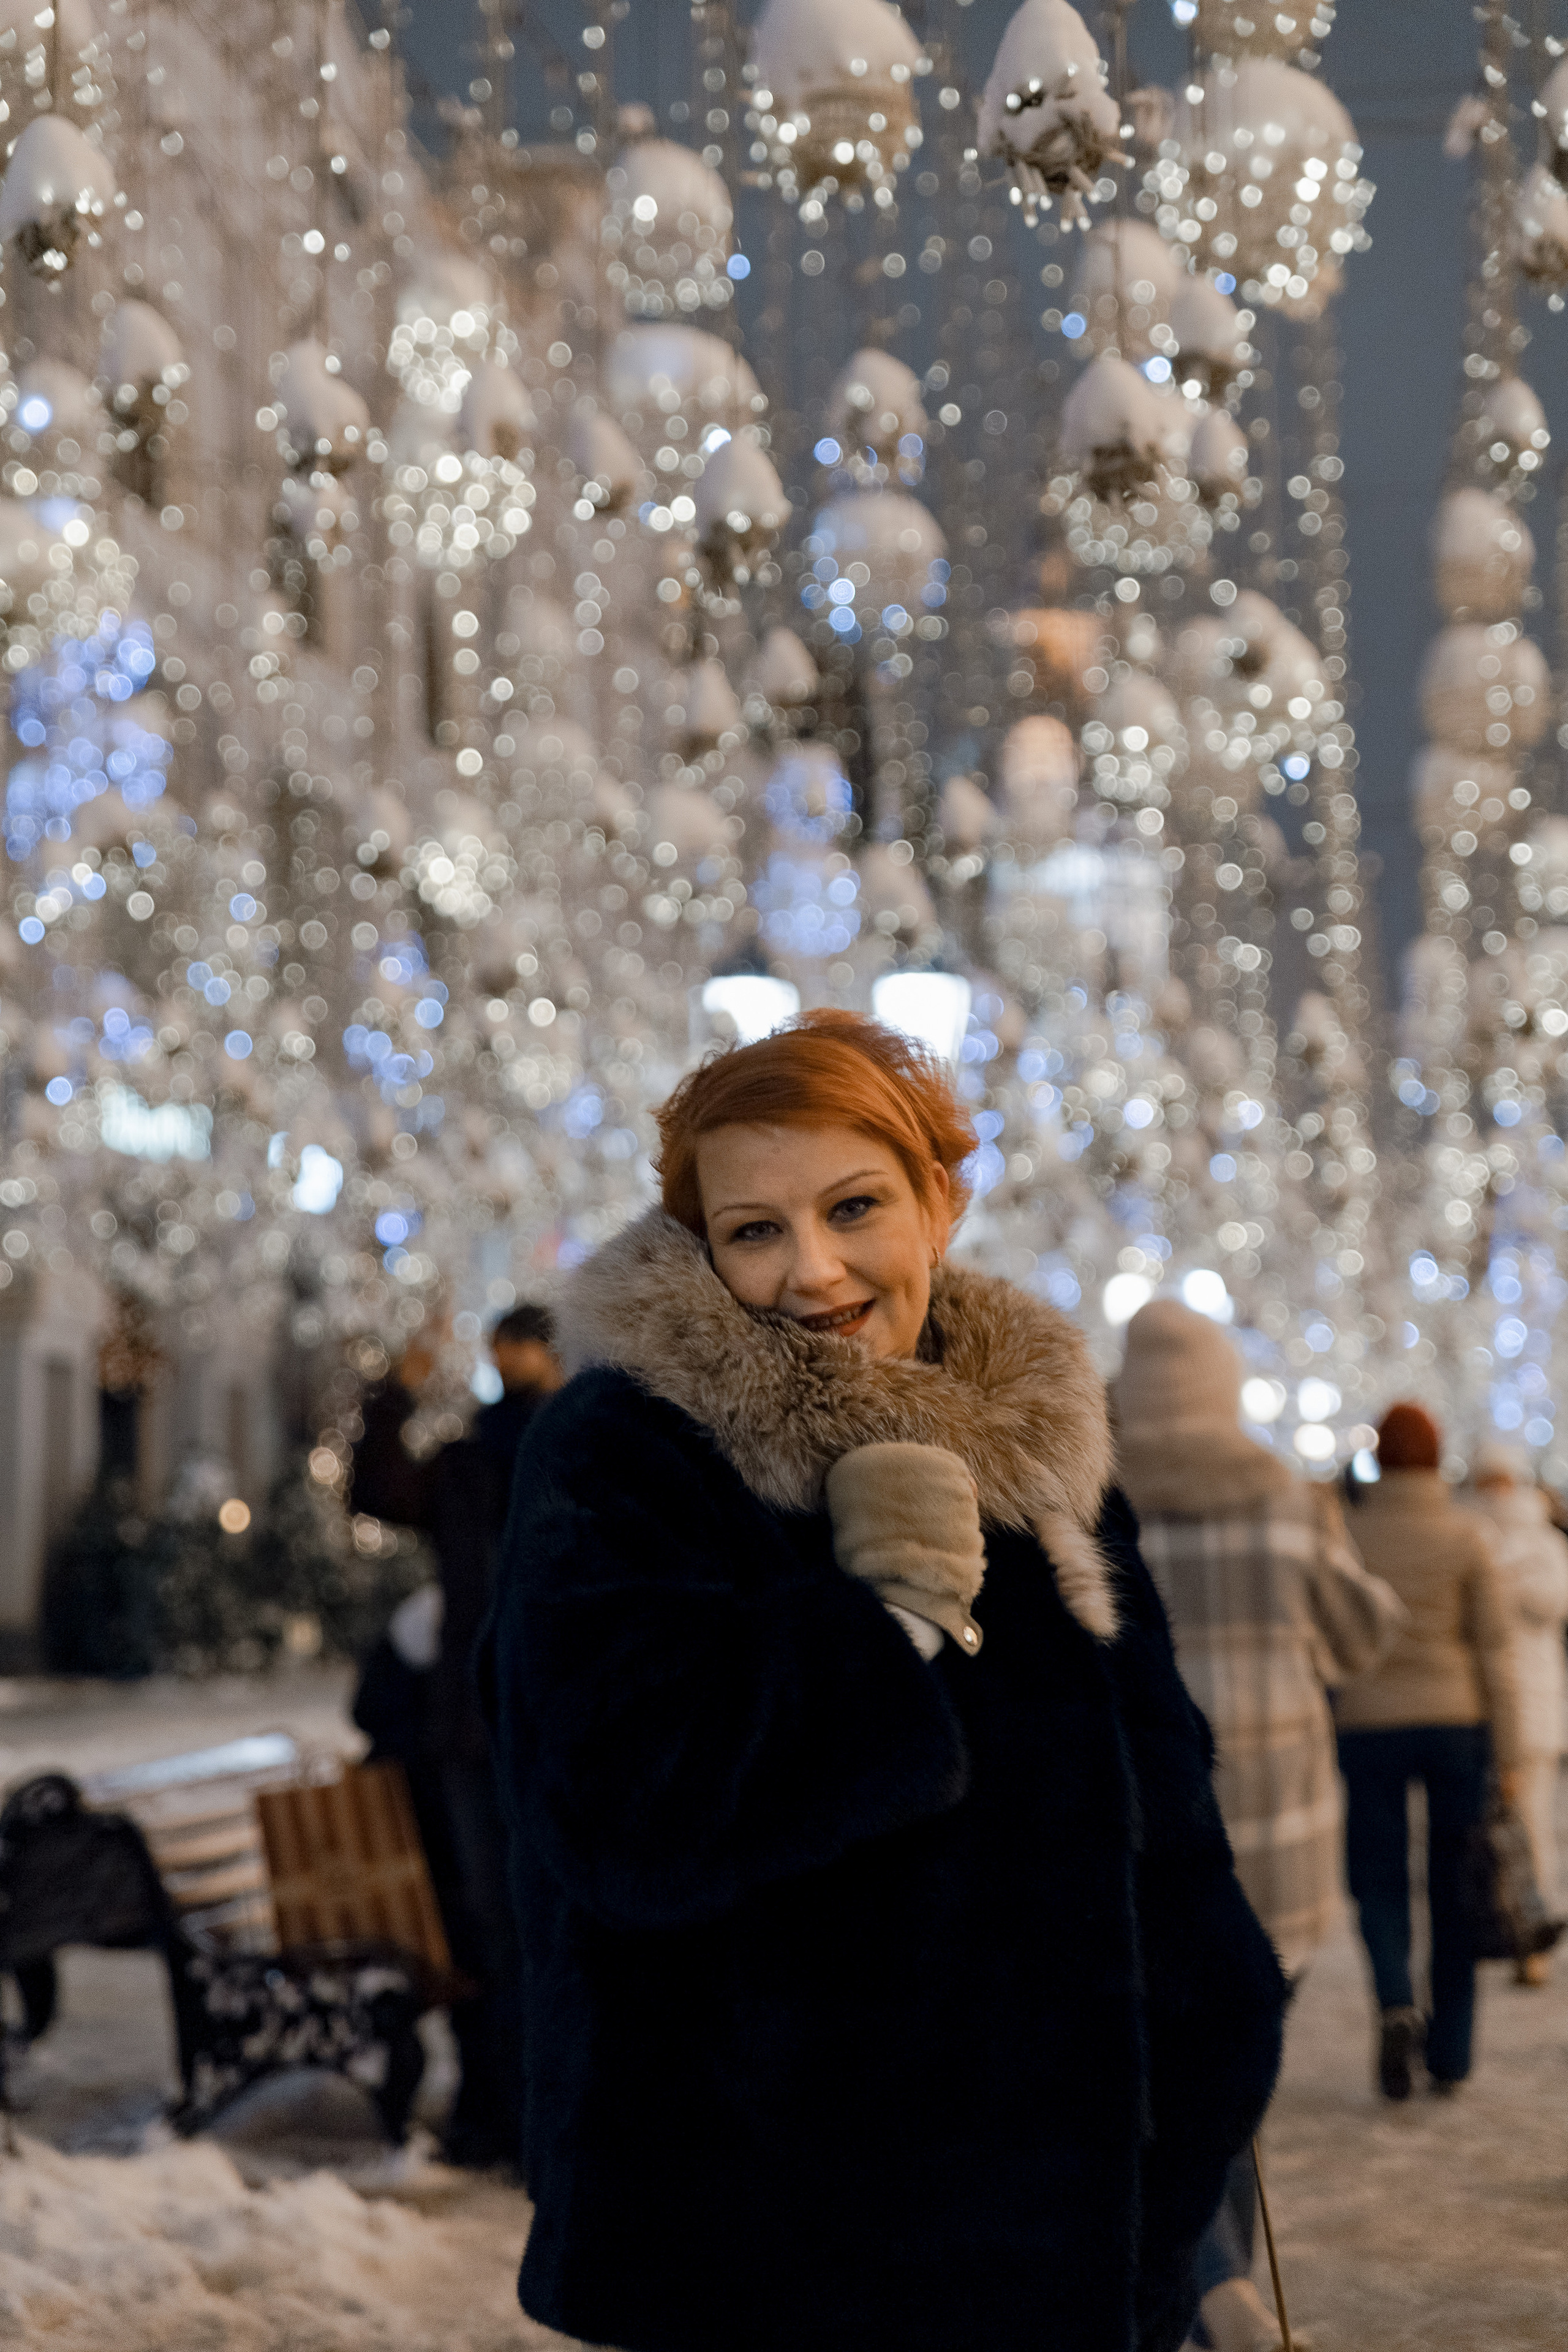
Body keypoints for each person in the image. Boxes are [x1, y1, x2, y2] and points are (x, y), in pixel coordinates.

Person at [481, 1009, 1286, 2352]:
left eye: (853, 1207)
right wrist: (880, 1622)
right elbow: (614, 1813)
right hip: (785, 2258)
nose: (812, 1270)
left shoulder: (1036, 1445)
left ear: (940, 1203)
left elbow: (1160, 1799)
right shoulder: (628, 1449)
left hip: (1089, 2240)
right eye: (753, 1230)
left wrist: (1218, 2038)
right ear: (701, 1245)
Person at [1116, 1300, 1405, 2352]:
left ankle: (1207, 2283)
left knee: (1162, 2085)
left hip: (1152, 1826)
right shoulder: (1285, 1499)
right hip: (1277, 1832)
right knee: (1234, 2069)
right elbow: (1364, 1631)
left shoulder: (1094, 1496)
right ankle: (1220, 2284)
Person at [351, 1302, 562, 2169]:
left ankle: (532, 2115)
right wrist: (396, 1392)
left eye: (524, 1351)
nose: (511, 1363)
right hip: (483, 1730)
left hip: (541, 1725)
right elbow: (380, 1489)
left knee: (529, 1921)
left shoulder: (576, 1453)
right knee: (492, 1925)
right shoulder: (474, 1464)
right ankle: (506, 2114)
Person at [1333, 1402, 1524, 2099]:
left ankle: (1393, 2001)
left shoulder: (1346, 1534)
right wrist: (1511, 1754)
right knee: (1456, 1884)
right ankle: (1450, 2051)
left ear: (1376, 1460)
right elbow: (1494, 1652)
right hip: (1455, 1722)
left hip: (1368, 1723)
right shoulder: (1465, 1537)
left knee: (1377, 1875)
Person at [1466, 1438, 1568, 1984]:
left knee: (1532, 1824)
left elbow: (1551, 1603)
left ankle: (1535, 1937)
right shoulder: (1466, 1536)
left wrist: (1495, 1581)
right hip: (1477, 1706)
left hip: (1532, 1706)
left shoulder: (1544, 1542)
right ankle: (1499, 1929)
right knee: (1482, 1832)